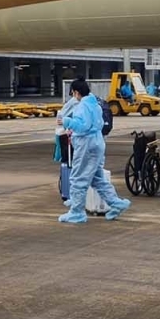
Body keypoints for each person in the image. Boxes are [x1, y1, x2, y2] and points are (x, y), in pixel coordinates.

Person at [56, 78, 130, 224]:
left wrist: (66, 122)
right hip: (97, 142)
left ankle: (77, 212)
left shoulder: (82, 106)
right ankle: (116, 203)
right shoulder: (95, 104)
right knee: (97, 178)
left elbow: (82, 126)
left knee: (78, 178)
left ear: (76, 92)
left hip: (86, 145)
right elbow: (100, 123)